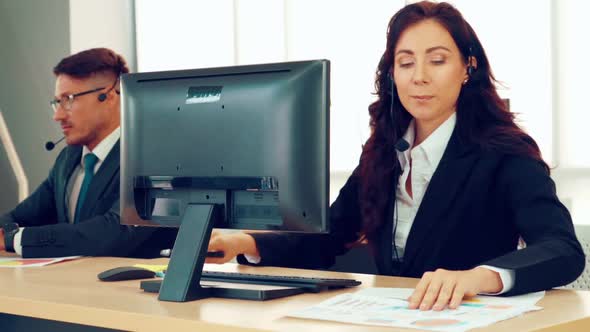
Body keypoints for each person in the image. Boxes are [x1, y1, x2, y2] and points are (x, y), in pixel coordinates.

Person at [204, 1, 585, 311]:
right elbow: (331, 234)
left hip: (469, 319)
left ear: (467, 68)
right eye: (405, 63)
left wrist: (475, 277)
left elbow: (562, 250)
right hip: (397, 317)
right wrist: (246, 243)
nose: (419, 76)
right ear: (392, 75)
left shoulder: (505, 151)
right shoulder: (384, 150)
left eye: (437, 60)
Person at [0, 48, 176, 258]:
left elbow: (112, 233)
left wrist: (15, 239)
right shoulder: (68, 158)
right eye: (58, 101)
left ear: (109, 96)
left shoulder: (155, 158)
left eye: (69, 99)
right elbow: (23, 216)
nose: (58, 115)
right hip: (75, 283)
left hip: (133, 287)